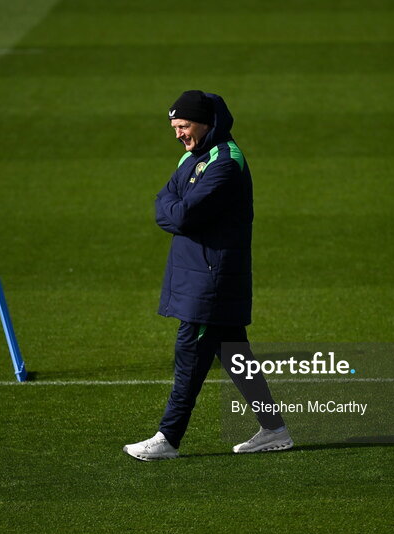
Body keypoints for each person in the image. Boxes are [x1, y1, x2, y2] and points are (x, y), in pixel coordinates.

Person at [123, 90, 293, 461]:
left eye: (183, 126)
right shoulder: (195, 157)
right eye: (174, 128)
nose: (179, 135)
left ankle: (167, 437)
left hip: (211, 279)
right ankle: (274, 429)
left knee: (190, 354)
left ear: (206, 122)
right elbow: (165, 201)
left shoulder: (224, 163)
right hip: (203, 274)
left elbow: (179, 215)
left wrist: (172, 208)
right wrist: (172, 206)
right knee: (235, 356)